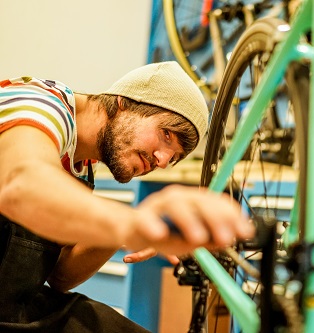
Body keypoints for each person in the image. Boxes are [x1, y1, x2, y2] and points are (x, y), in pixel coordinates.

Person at [0, 61, 254, 332]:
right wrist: (133, 224)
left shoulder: (82, 166)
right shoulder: (39, 104)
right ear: (124, 102)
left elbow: (61, 276)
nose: (163, 160)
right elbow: (21, 184)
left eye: (175, 157)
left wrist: (126, 232)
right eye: (165, 134)